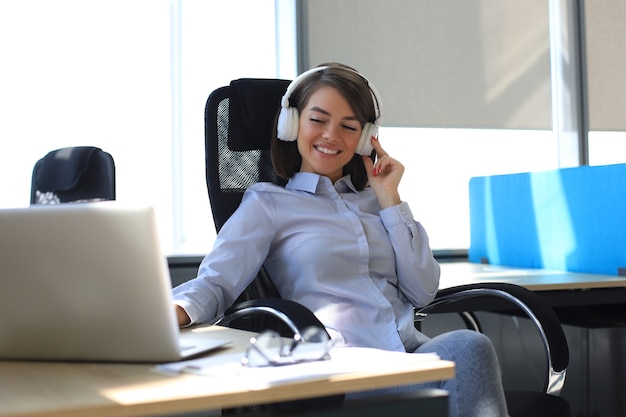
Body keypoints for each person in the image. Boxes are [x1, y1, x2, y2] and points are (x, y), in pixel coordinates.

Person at [172, 63, 509, 417]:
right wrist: (173, 313)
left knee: (467, 347)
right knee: (470, 348)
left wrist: (390, 200)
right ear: (292, 124)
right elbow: (217, 281)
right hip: (341, 367)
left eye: (348, 126)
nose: (331, 135)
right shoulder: (268, 203)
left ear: (365, 138)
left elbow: (423, 291)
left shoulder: (377, 201)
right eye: (318, 120)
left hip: (408, 356)